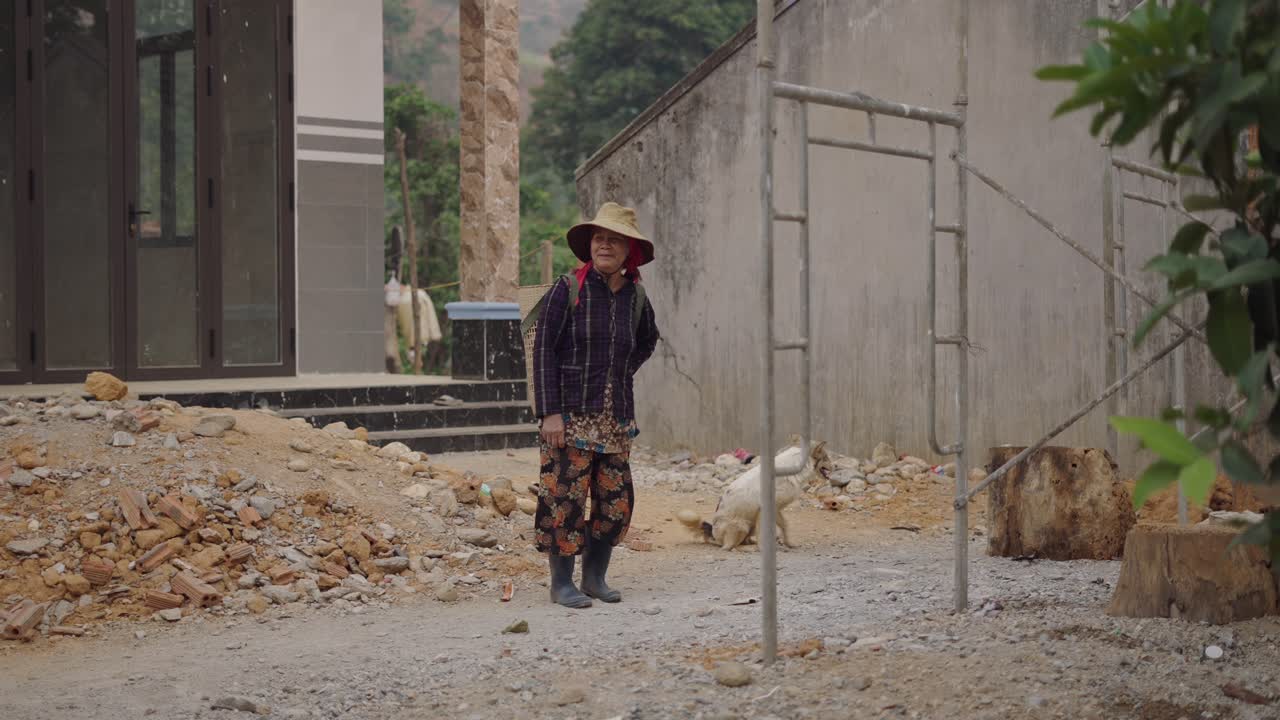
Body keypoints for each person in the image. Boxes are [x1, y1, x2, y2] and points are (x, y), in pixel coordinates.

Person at [531, 202, 660, 608]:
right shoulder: (567, 290)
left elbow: (647, 341)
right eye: (600, 238)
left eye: (615, 240)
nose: (605, 245)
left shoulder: (635, 297)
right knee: (564, 498)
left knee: (615, 501)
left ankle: (595, 578)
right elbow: (542, 352)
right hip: (568, 418)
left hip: (615, 420)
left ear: (629, 251)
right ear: (590, 246)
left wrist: (617, 372)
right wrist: (550, 412)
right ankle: (561, 584)